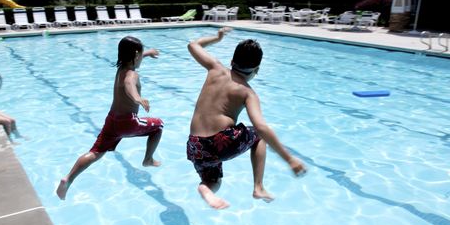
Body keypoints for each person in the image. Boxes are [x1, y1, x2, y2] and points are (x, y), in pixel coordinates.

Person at [186, 27, 307, 210]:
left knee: (212, 181)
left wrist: (217, 38)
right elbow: (262, 127)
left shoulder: (215, 68)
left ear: (232, 61)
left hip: (195, 145)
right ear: (256, 70)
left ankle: (205, 189)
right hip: (219, 144)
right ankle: (258, 187)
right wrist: (289, 159)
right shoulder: (248, 93)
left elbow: (192, 44)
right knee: (258, 135)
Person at [56, 36, 163, 200]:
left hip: (112, 120)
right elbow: (129, 85)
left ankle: (67, 179)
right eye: (141, 54)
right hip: (128, 122)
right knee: (159, 125)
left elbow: (130, 68)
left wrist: (148, 53)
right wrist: (137, 98)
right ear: (135, 55)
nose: (142, 58)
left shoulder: (121, 68)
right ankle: (148, 159)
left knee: (95, 152)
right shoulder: (131, 75)